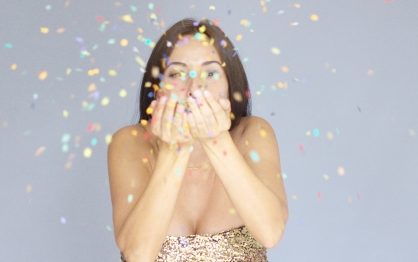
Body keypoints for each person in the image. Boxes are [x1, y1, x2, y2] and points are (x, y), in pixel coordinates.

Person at [108, 18, 288, 262]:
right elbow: (137, 255)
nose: (194, 88)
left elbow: (270, 233)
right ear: (158, 87)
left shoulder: (253, 134)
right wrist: (174, 151)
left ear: (229, 86)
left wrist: (216, 141)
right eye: (178, 73)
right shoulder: (131, 143)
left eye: (211, 73)